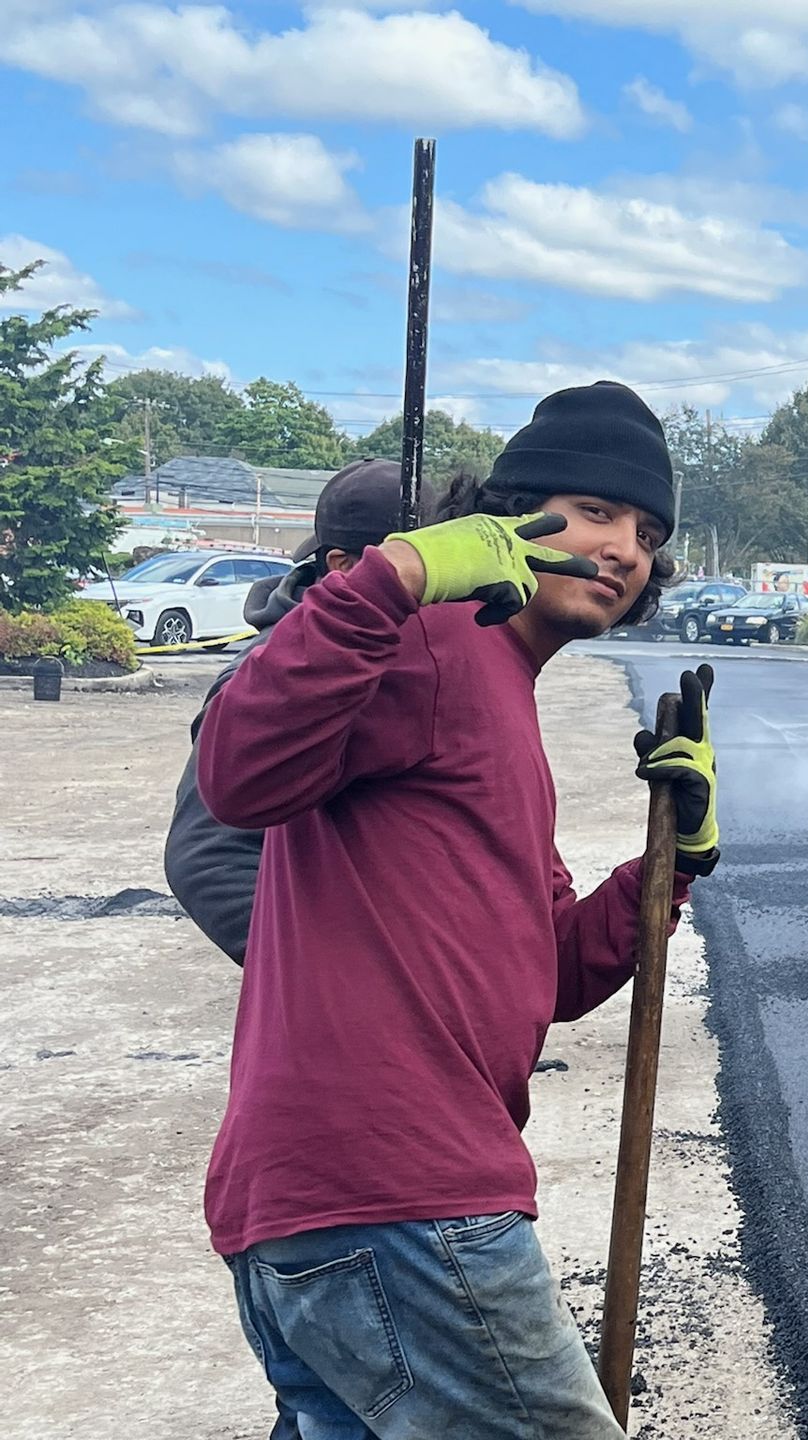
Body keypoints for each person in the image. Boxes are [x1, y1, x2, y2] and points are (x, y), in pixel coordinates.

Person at [195, 380, 721, 1439]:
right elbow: (238, 776)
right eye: (596, 512)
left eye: (648, 531)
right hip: (395, 1194)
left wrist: (673, 865)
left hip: (326, 1213)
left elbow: (555, 973)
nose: (624, 548)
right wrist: (395, 576)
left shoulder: (498, 688)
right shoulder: (428, 641)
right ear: (506, 516)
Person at [164, 458, 404, 965]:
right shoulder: (274, 672)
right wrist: (328, 976)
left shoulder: (414, 653)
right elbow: (208, 856)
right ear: (342, 566)